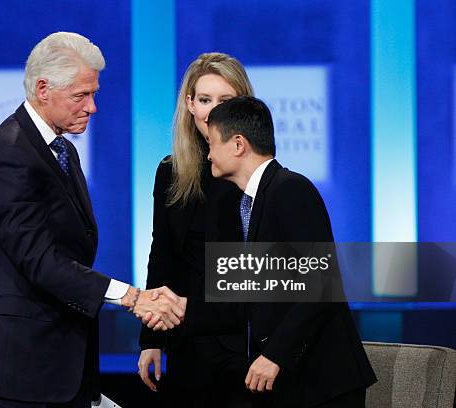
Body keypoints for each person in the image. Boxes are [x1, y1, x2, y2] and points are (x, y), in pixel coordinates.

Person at [0, 32, 185, 408]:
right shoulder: (10, 156)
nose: (92, 107)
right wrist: (130, 296)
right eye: (81, 95)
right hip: (21, 368)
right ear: (43, 89)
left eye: (93, 94)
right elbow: (40, 262)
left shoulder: (58, 148)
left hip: (60, 359)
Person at [148, 96, 377, 407]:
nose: (209, 154)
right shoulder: (250, 203)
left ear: (238, 145)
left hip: (324, 384)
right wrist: (185, 307)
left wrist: (275, 354)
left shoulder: (290, 190)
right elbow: (251, 295)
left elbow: (322, 287)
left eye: (213, 143)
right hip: (292, 383)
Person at [137, 53, 253, 407]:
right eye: (205, 100)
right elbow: (163, 255)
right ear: (190, 104)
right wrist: (151, 337)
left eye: (225, 101)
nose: (213, 112)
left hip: (243, 339)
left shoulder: (258, 175)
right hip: (187, 339)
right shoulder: (170, 171)